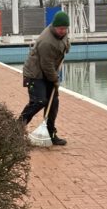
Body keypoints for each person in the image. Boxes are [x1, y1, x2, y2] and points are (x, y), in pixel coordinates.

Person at [19, 10, 71, 145]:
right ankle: (16, 128)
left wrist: (67, 46)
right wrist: (55, 80)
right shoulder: (46, 42)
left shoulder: (62, 34)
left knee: (53, 103)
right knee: (39, 101)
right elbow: (46, 65)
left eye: (65, 28)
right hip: (35, 74)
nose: (63, 31)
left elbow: (65, 42)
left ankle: (51, 133)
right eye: (60, 29)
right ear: (54, 26)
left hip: (47, 72)